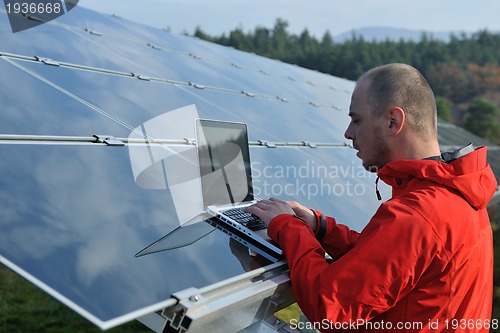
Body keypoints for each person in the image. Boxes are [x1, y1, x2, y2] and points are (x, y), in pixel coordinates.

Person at [245, 63, 497, 332]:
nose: (348, 133)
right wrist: (322, 228)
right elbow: (391, 266)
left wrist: (286, 225)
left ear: (393, 121)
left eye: (357, 119)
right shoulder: (456, 195)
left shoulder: (418, 214)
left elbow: (330, 308)